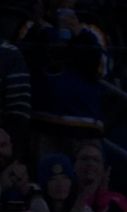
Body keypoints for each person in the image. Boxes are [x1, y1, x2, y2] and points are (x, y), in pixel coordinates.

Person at [17, 0, 110, 156]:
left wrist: (79, 34)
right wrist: (41, 30)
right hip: (42, 123)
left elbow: (102, 68)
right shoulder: (32, 27)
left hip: (84, 126)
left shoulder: (91, 30)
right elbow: (21, 64)